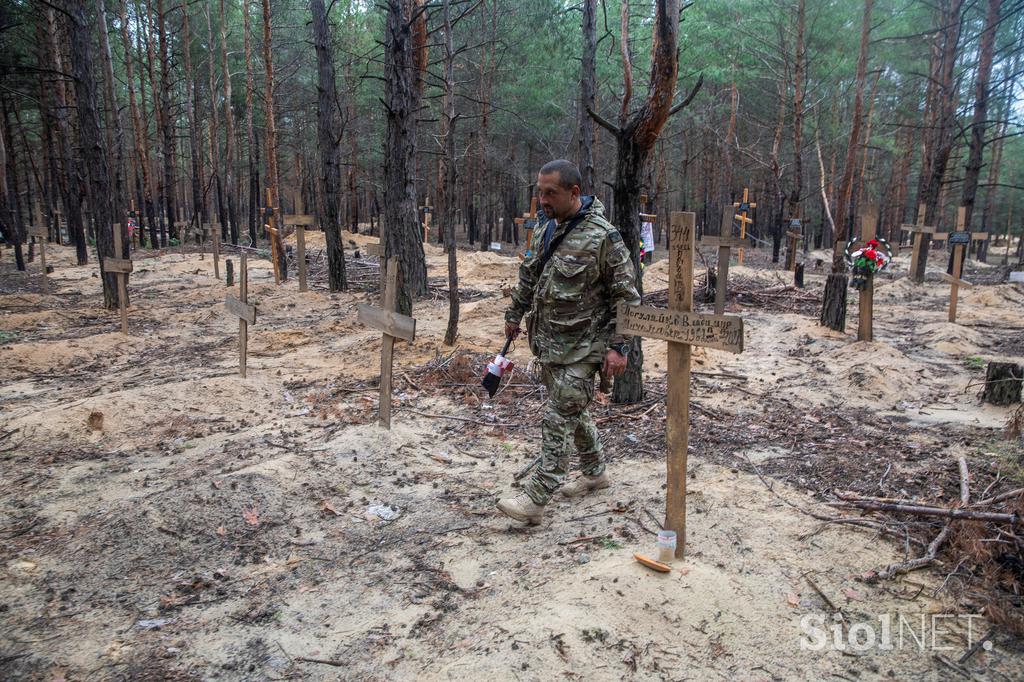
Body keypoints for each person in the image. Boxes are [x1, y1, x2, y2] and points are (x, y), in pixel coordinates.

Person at [496, 160, 640, 525]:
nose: (542, 199)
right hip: (549, 343)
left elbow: (628, 298)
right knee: (574, 412)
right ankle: (595, 473)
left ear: (574, 193)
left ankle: (536, 498)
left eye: (550, 193)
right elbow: (529, 275)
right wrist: (514, 316)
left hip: (586, 346)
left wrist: (618, 347)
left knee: (559, 415)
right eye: (539, 191)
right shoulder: (545, 228)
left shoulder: (604, 237)